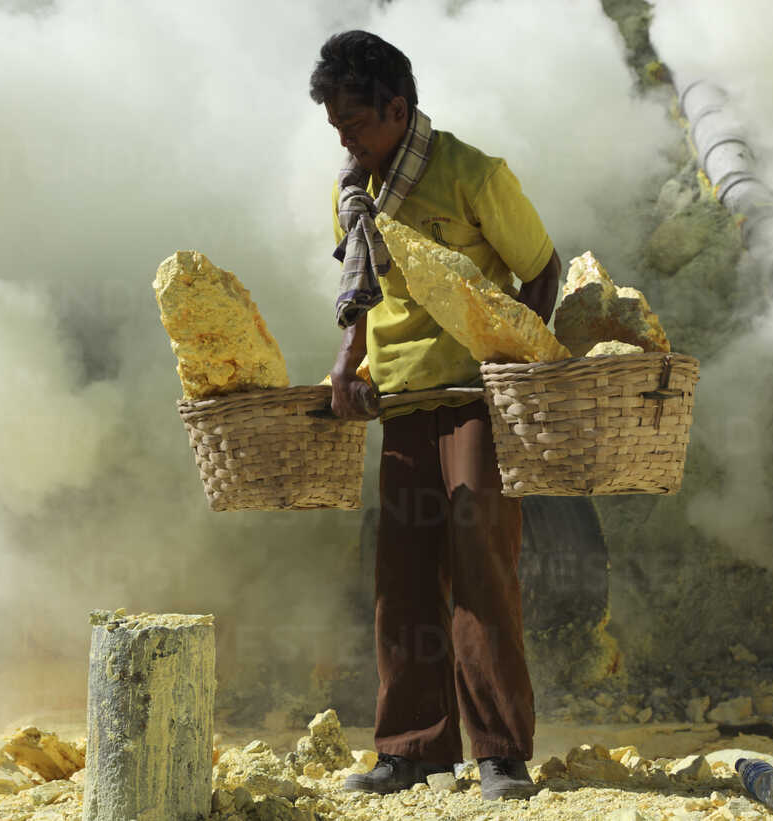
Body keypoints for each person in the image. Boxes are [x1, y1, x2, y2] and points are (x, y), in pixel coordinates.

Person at [310, 30, 561, 801]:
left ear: (397, 106)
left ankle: (499, 752)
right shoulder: (353, 190)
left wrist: (517, 365)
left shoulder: (474, 175)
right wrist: (347, 364)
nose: (345, 141)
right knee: (403, 577)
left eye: (353, 123)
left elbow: (542, 269)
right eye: (336, 129)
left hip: (475, 398)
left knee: (480, 561)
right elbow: (361, 298)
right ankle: (412, 748)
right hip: (403, 404)